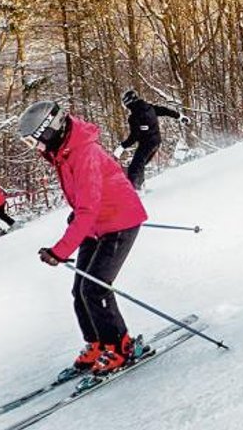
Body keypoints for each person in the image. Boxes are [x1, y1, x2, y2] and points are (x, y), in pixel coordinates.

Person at [17, 100, 148, 375]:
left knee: (96, 288)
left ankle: (120, 346)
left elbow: (88, 208)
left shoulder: (84, 153)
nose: (36, 148)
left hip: (118, 223)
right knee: (80, 291)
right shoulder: (64, 152)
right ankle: (98, 343)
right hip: (94, 225)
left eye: (36, 141)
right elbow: (84, 205)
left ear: (50, 131)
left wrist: (60, 251)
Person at [115, 90, 190, 190]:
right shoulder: (149, 107)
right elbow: (164, 111)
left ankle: (136, 192)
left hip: (146, 144)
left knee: (134, 168)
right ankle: (140, 187)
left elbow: (134, 136)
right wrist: (179, 116)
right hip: (156, 142)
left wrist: (121, 147)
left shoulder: (134, 117)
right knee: (139, 165)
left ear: (128, 103)